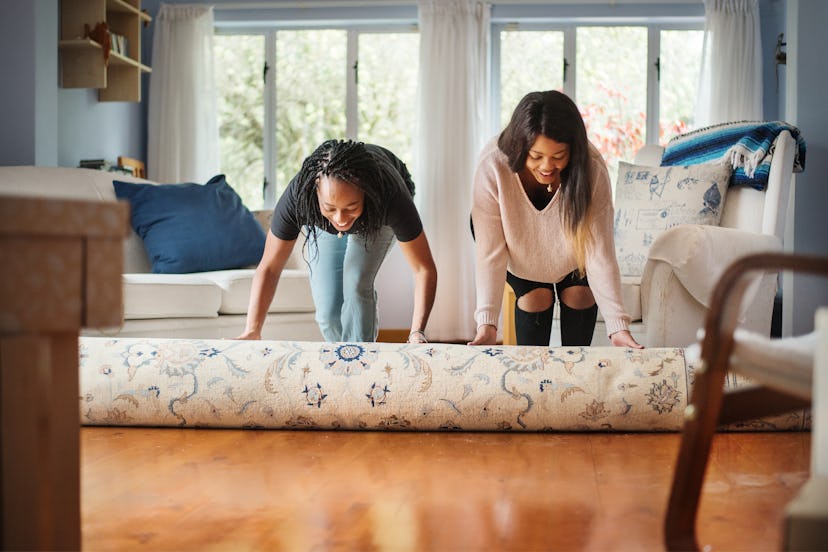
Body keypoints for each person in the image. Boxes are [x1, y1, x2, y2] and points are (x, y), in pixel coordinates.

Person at [468, 90, 642, 349]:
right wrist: (487, 325)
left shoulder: (591, 168)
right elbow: (490, 254)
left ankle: (576, 379)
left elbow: (599, 253)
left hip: (571, 249)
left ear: (574, 150)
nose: (547, 166)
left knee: (579, 295)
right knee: (537, 297)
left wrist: (618, 328)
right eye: (536, 156)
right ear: (519, 145)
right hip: (517, 246)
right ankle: (531, 381)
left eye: (559, 156)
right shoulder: (493, 165)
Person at [238, 139, 437, 344]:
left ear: (364, 193)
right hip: (322, 220)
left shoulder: (390, 196)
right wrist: (252, 330)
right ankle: (342, 362)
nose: (341, 219)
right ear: (315, 192)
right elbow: (269, 268)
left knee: (356, 282)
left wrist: (417, 332)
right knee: (327, 311)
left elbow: (423, 269)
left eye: (350, 207)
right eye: (330, 208)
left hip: (376, 213)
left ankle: (362, 364)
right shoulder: (299, 198)